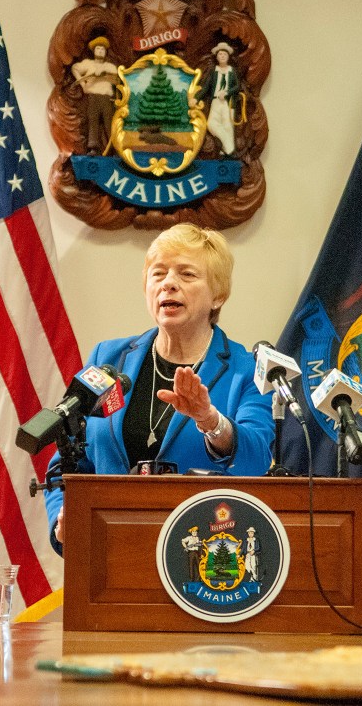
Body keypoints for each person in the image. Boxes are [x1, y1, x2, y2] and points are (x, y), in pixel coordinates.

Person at [45, 223, 275, 555]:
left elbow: (256, 460)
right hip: (107, 555)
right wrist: (62, 522)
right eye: (158, 274)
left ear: (219, 294)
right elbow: (65, 460)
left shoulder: (245, 369)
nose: (169, 283)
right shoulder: (108, 359)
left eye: (187, 275)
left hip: (203, 560)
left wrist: (212, 421)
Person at [71, 36, 119, 155]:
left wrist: (103, 75)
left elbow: (117, 79)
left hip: (107, 98)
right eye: (98, 49)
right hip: (93, 97)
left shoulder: (110, 67)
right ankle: (93, 147)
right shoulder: (88, 64)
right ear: (94, 51)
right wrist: (83, 83)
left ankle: (115, 147)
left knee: (110, 123)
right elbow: (75, 68)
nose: (100, 51)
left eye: (103, 49)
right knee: (93, 122)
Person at [194, 41, 240, 156]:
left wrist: (227, 93)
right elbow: (206, 87)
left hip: (227, 103)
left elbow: (237, 86)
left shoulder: (231, 71)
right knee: (211, 124)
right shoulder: (214, 71)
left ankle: (225, 150)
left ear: (228, 57)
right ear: (217, 56)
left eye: (224, 54)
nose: (222, 56)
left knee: (227, 125)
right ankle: (229, 147)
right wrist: (197, 98)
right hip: (215, 101)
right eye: (220, 54)